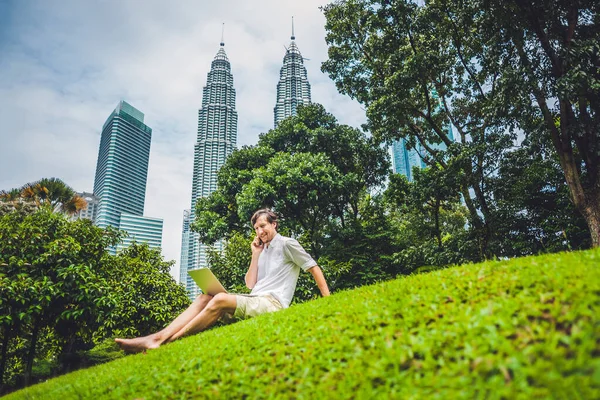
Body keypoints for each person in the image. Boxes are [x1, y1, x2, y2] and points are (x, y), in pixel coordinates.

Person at [115, 208, 330, 353]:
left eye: (263, 226)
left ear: (275, 224)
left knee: (218, 300)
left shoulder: (287, 244)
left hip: (272, 304)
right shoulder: (262, 251)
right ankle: (157, 337)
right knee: (204, 297)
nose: (260, 231)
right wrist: (255, 255)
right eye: (256, 228)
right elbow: (250, 284)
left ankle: (163, 343)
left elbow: (313, 267)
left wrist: (326, 299)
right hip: (255, 299)